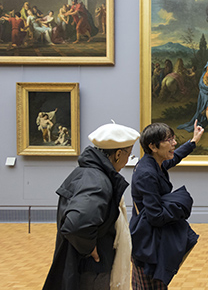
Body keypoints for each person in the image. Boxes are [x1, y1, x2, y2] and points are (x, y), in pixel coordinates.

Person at [43, 122, 140, 290]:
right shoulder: (97, 180)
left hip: (86, 267)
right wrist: (90, 248)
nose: (127, 161)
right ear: (117, 154)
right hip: (92, 271)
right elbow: (76, 224)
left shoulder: (88, 173)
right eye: (129, 154)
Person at [130, 121, 204, 289]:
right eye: (168, 140)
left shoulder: (155, 162)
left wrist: (193, 142)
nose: (174, 143)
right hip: (148, 242)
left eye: (173, 139)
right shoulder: (147, 173)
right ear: (153, 146)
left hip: (150, 237)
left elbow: (174, 157)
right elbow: (155, 217)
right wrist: (180, 206)